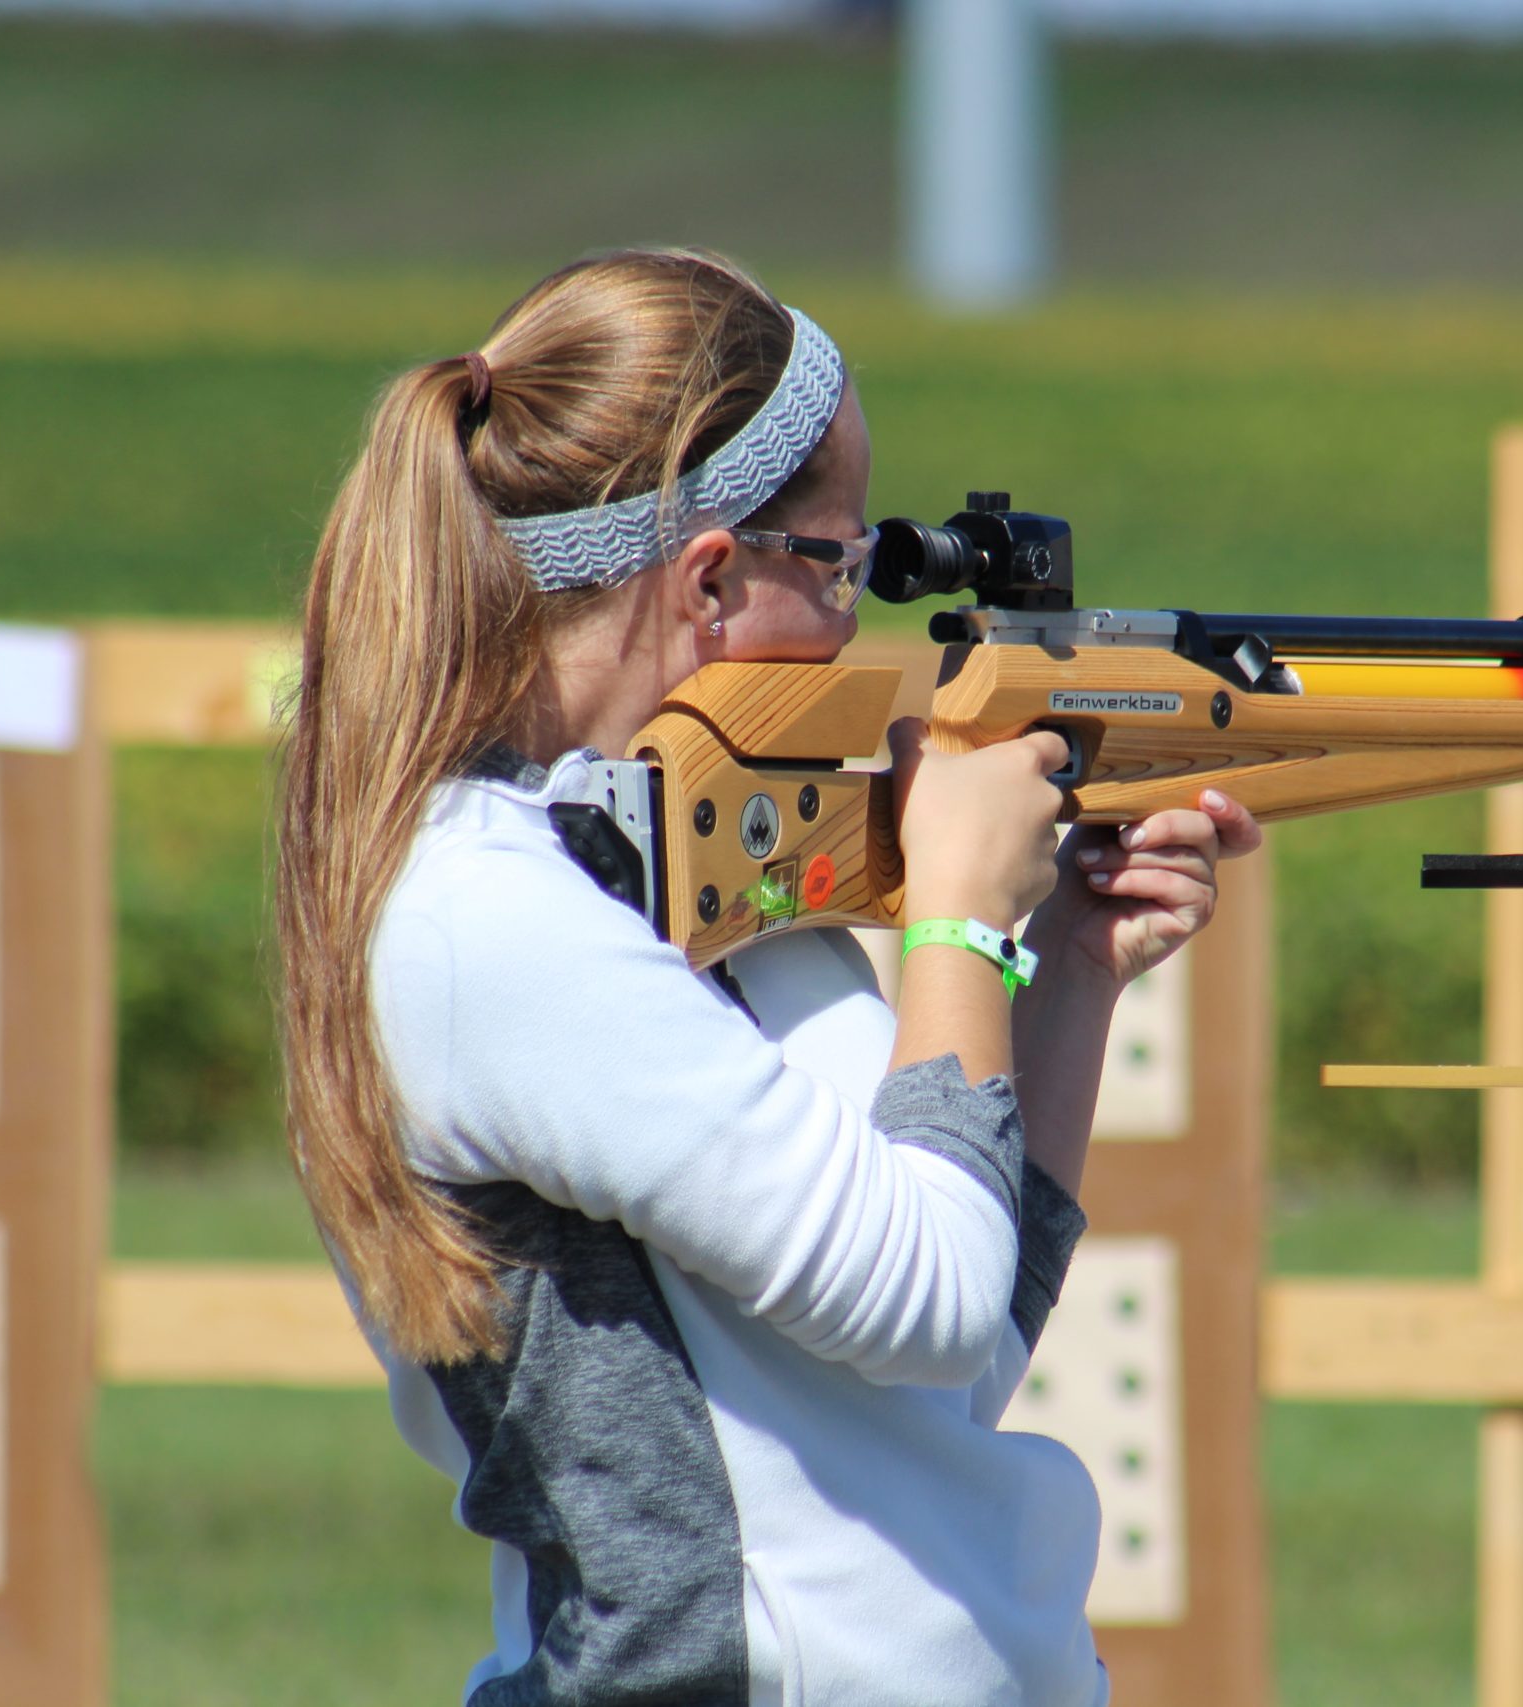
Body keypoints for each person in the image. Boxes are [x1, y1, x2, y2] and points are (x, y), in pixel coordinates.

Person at [273, 247, 1261, 1707]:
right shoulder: (489, 919)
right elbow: (925, 1301)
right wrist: (954, 929)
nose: (860, 620)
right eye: (847, 560)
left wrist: (1059, 972)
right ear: (716, 581)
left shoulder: (690, 880)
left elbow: (945, 1353)